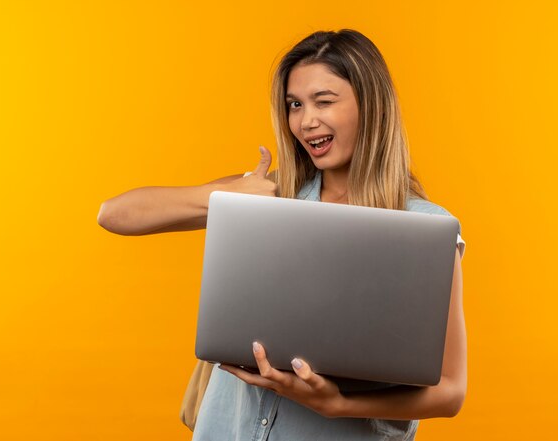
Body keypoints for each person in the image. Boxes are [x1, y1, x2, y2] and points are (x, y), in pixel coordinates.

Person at [98, 29, 467, 441]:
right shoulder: (268, 195)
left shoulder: (425, 231)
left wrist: (338, 405)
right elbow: (114, 215)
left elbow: (450, 390)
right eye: (295, 105)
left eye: (323, 101)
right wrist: (220, 195)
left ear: (371, 105)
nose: (306, 121)